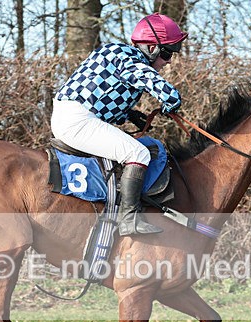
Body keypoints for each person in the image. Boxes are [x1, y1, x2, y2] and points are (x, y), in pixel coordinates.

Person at [51, 13, 188, 236]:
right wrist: (171, 97)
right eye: (166, 53)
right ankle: (128, 220)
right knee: (139, 153)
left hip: (73, 115)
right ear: (151, 48)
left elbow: (102, 96)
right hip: (77, 121)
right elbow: (142, 75)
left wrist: (129, 115)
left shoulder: (116, 51)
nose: (168, 61)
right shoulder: (131, 59)